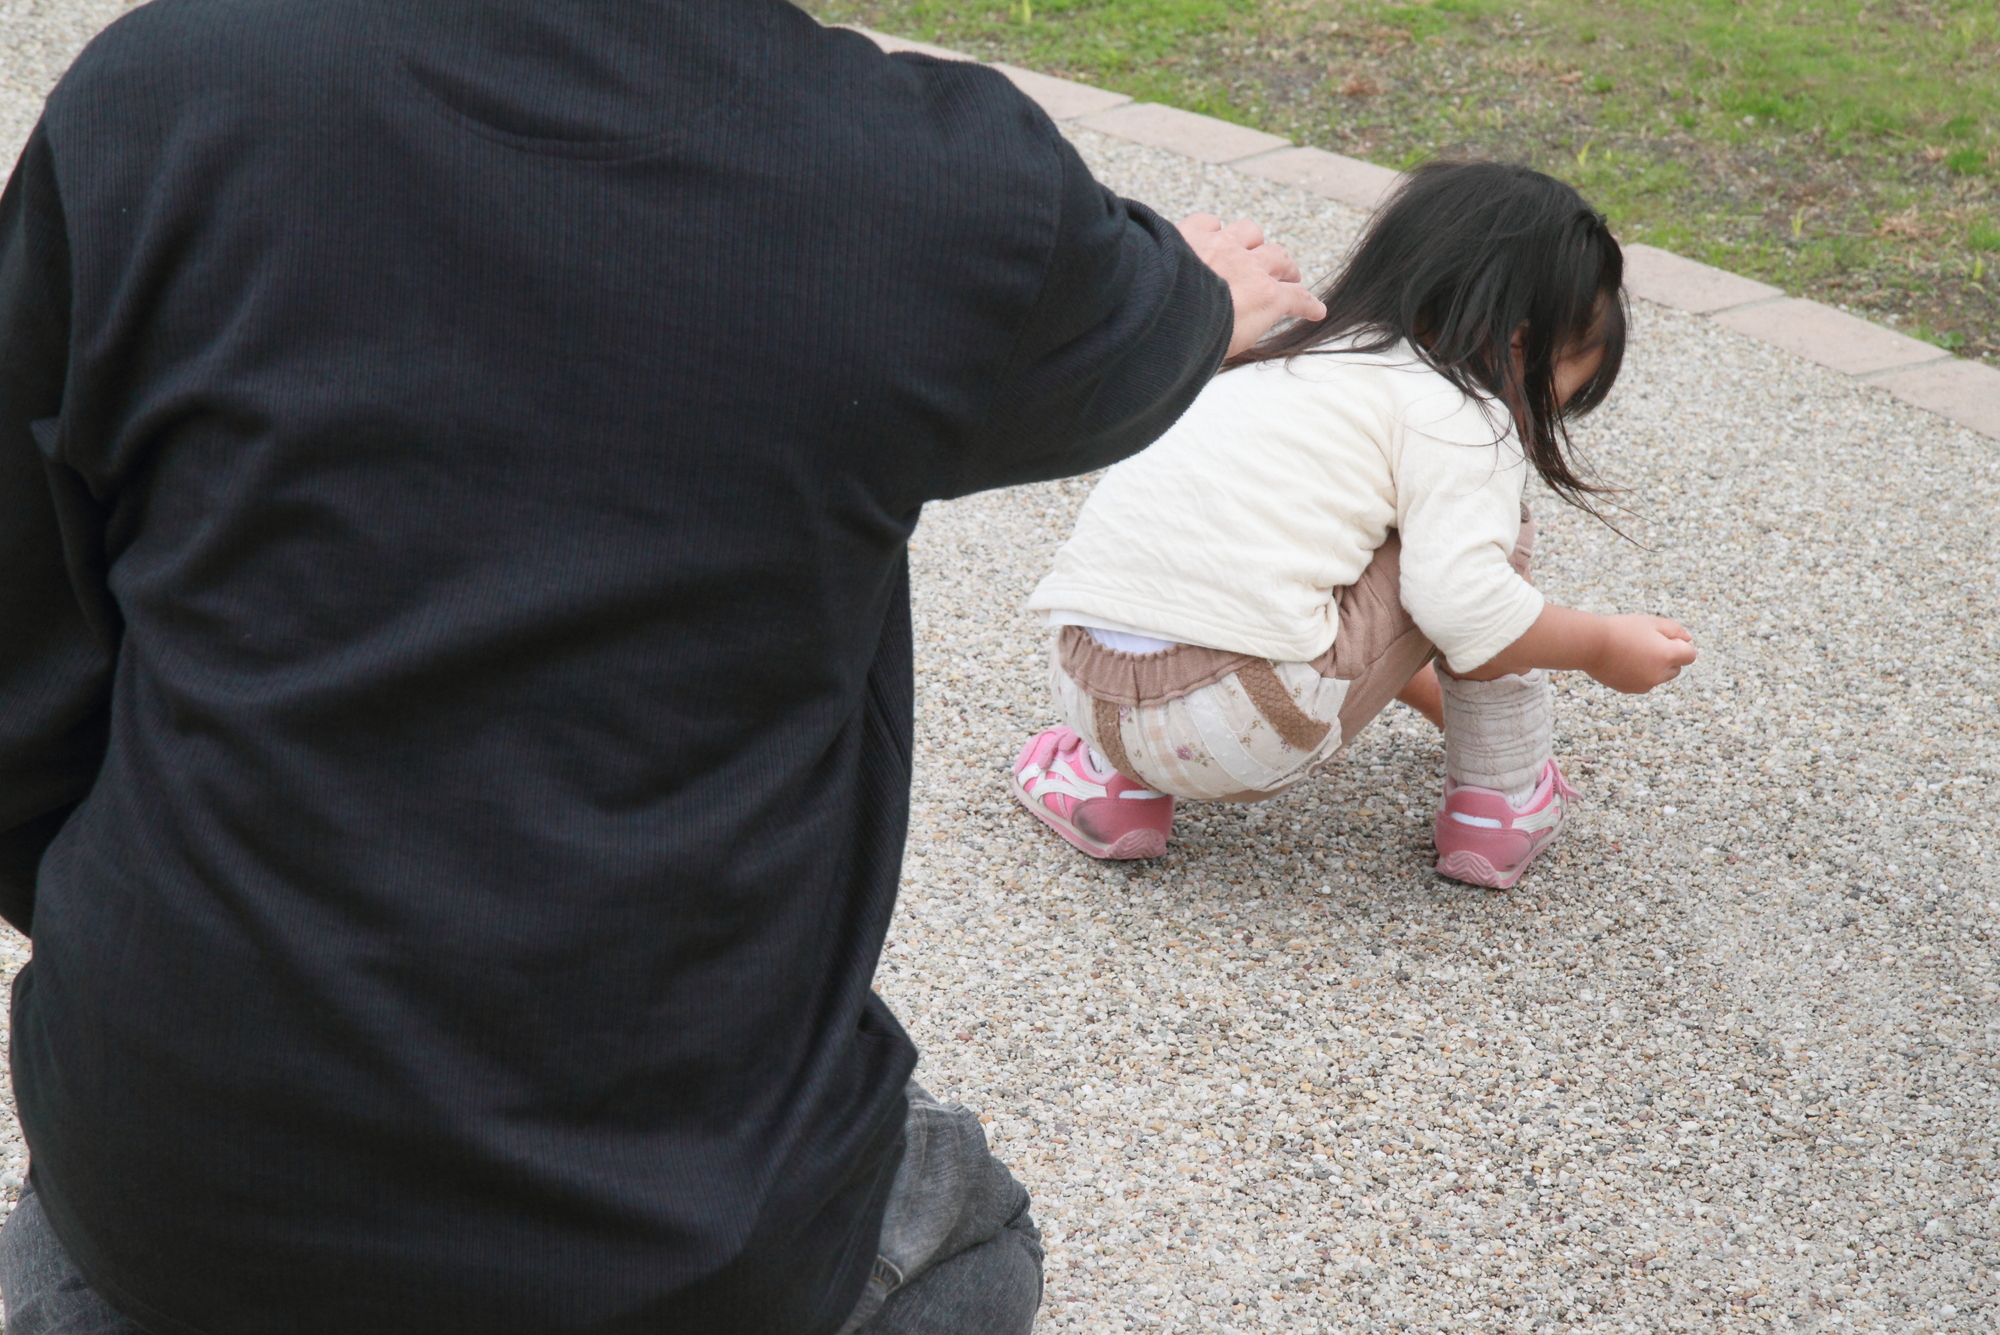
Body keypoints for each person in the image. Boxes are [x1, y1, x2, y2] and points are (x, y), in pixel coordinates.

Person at [0, 2, 1323, 1333]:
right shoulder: (944, 194)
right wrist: (1202, 294)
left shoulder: (167, 94)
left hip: (166, 1169)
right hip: (678, 1226)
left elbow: (20, 678)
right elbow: (1141, 325)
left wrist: (165, 945)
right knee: (970, 1233)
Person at [1011, 161, 1698, 889]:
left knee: (1326, 547)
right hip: (1236, 725)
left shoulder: (1280, 354)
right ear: (1521, 342)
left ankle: (1112, 792)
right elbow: (1463, 602)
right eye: (1567, 387)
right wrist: (1600, 646)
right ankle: (1501, 802)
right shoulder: (1462, 413)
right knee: (1481, 547)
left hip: (1085, 688)